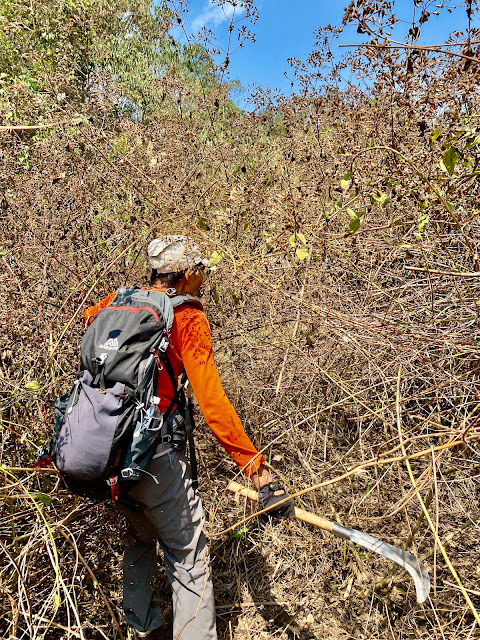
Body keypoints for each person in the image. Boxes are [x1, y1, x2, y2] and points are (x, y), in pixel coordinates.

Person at [83, 236, 294, 640]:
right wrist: (258, 472)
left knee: (140, 534)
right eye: (200, 270)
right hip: (153, 456)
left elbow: (87, 321)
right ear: (187, 273)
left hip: (104, 453)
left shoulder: (116, 300)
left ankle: (142, 624)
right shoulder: (187, 317)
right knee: (189, 556)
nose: (204, 278)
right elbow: (212, 402)